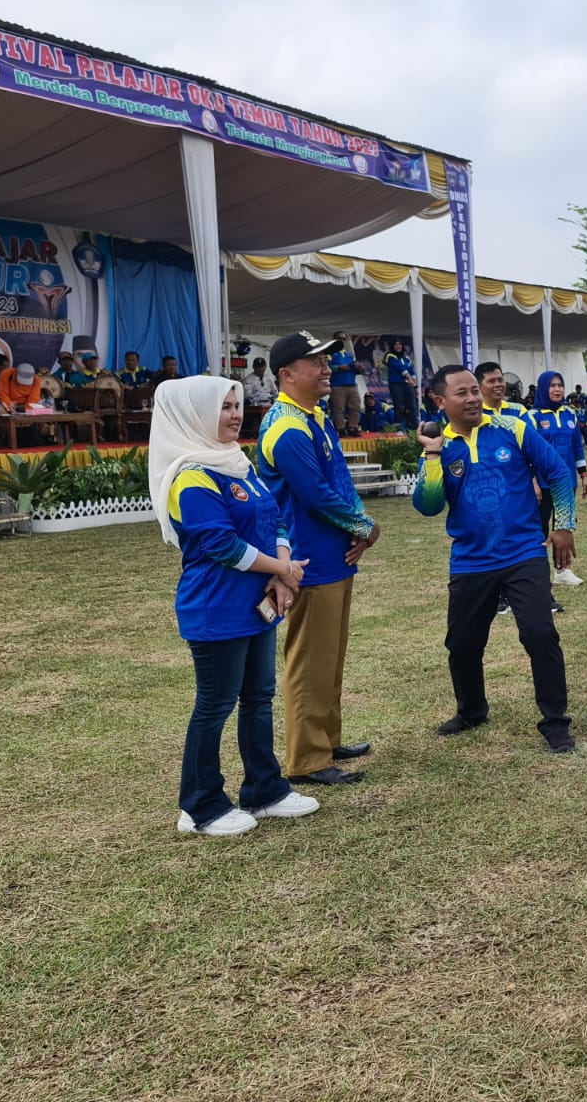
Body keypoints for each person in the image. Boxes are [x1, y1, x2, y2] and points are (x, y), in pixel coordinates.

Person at [148, 376, 318, 836]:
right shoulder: (191, 476)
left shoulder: (235, 463)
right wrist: (281, 572)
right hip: (216, 607)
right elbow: (222, 545)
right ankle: (200, 806)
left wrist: (281, 566)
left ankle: (265, 791)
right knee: (215, 704)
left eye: (236, 404)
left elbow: (274, 517)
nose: (235, 414)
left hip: (255, 603)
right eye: (223, 407)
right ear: (193, 415)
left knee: (258, 697)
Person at [414, 365, 579, 752]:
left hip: (524, 553)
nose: (472, 398)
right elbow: (428, 505)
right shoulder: (439, 446)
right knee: (463, 644)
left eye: (475, 390)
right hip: (471, 561)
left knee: (540, 633)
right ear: (440, 401)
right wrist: (433, 455)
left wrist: (564, 524)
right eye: (461, 393)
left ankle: (555, 721)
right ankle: (471, 710)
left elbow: (556, 471)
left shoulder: (512, 428)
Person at [258, 331, 381, 786]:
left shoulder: (311, 417)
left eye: (326, 361)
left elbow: (340, 487)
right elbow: (318, 497)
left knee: (330, 654)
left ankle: (327, 739)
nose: (327, 368)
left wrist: (358, 530)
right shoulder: (288, 427)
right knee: (310, 658)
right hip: (308, 558)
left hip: (332, 554)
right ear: (287, 374)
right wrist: (365, 527)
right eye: (316, 362)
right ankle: (307, 759)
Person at [526, 370, 587, 590]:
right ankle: (536, 572)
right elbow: (526, 453)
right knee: (540, 529)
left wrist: (584, 474)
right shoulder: (532, 416)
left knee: (564, 526)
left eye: (560, 385)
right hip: (542, 483)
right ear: (544, 388)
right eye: (552, 386)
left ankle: (562, 570)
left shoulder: (570, 414)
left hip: (566, 482)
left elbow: (577, 448)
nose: (557, 389)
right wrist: (532, 480)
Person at [327, 333, 362, 436]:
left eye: (344, 339)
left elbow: (354, 368)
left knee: (355, 406)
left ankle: (353, 427)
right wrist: (339, 368)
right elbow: (328, 367)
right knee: (339, 408)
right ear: (334, 339)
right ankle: (341, 428)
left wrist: (359, 368)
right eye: (339, 338)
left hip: (352, 384)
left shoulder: (349, 355)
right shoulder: (329, 354)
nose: (342, 340)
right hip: (337, 385)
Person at [383, 339, 417, 430]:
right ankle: (398, 428)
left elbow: (411, 370)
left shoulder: (406, 358)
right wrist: (409, 378)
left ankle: (415, 427)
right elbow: (399, 368)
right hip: (396, 384)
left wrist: (414, 382)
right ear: (393, 346)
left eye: (400, 344)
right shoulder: (390, 355)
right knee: (398, 407)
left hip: (407, 384)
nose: (398, 346)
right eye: (396, 344)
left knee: (412, 406)